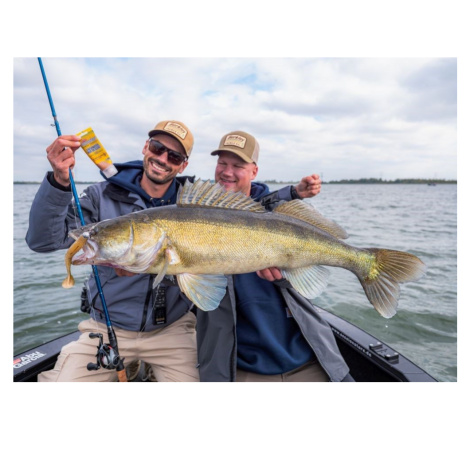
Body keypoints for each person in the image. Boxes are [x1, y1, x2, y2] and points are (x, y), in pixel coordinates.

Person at [26, 120, 200, 382]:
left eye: (174, 156)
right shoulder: (101, 195)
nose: (163, 159)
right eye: (157, 147)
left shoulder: (193, 206)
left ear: (183, 166)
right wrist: (59, 182)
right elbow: (43, 241)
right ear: (146, 147)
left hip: (173, 328)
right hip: (107, 328)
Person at [195, 130, 354, 382]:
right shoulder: (197, 216)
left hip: (306, 358)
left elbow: (308, 285)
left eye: (238, 165)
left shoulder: (277, 211)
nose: (227, 172)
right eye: (222, 163)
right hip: (241, 366)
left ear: (254, 171)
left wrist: (285, 277)